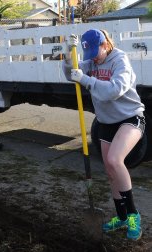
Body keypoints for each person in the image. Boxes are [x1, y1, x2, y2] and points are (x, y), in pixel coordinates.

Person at [62, 29, 145, 241]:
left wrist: (87, 81)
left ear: (106, 45)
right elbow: (72, 73)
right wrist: (66, 55)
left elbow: (113, 90)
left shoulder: (120, 61)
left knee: (115, 160)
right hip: (107, 122)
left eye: (96, 53)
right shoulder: (92, 62)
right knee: (110, 171)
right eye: (89, 56)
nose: (94, 60)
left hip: (129, 118)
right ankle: (122, 216)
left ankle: (134, 215)